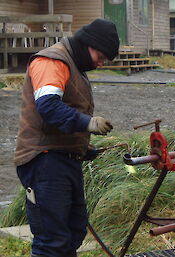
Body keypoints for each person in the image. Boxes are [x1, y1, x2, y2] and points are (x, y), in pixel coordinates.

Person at [14, 19, 120, 257]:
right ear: (88, 44)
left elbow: (62, 113)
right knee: (52, 241)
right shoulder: (52, 61)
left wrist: (82, 147)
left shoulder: (73, 64)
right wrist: (88, 123)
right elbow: (49, 107)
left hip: (62, 159)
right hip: (44, 161)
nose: (101, 63)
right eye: (101, 56)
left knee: (73, 231)